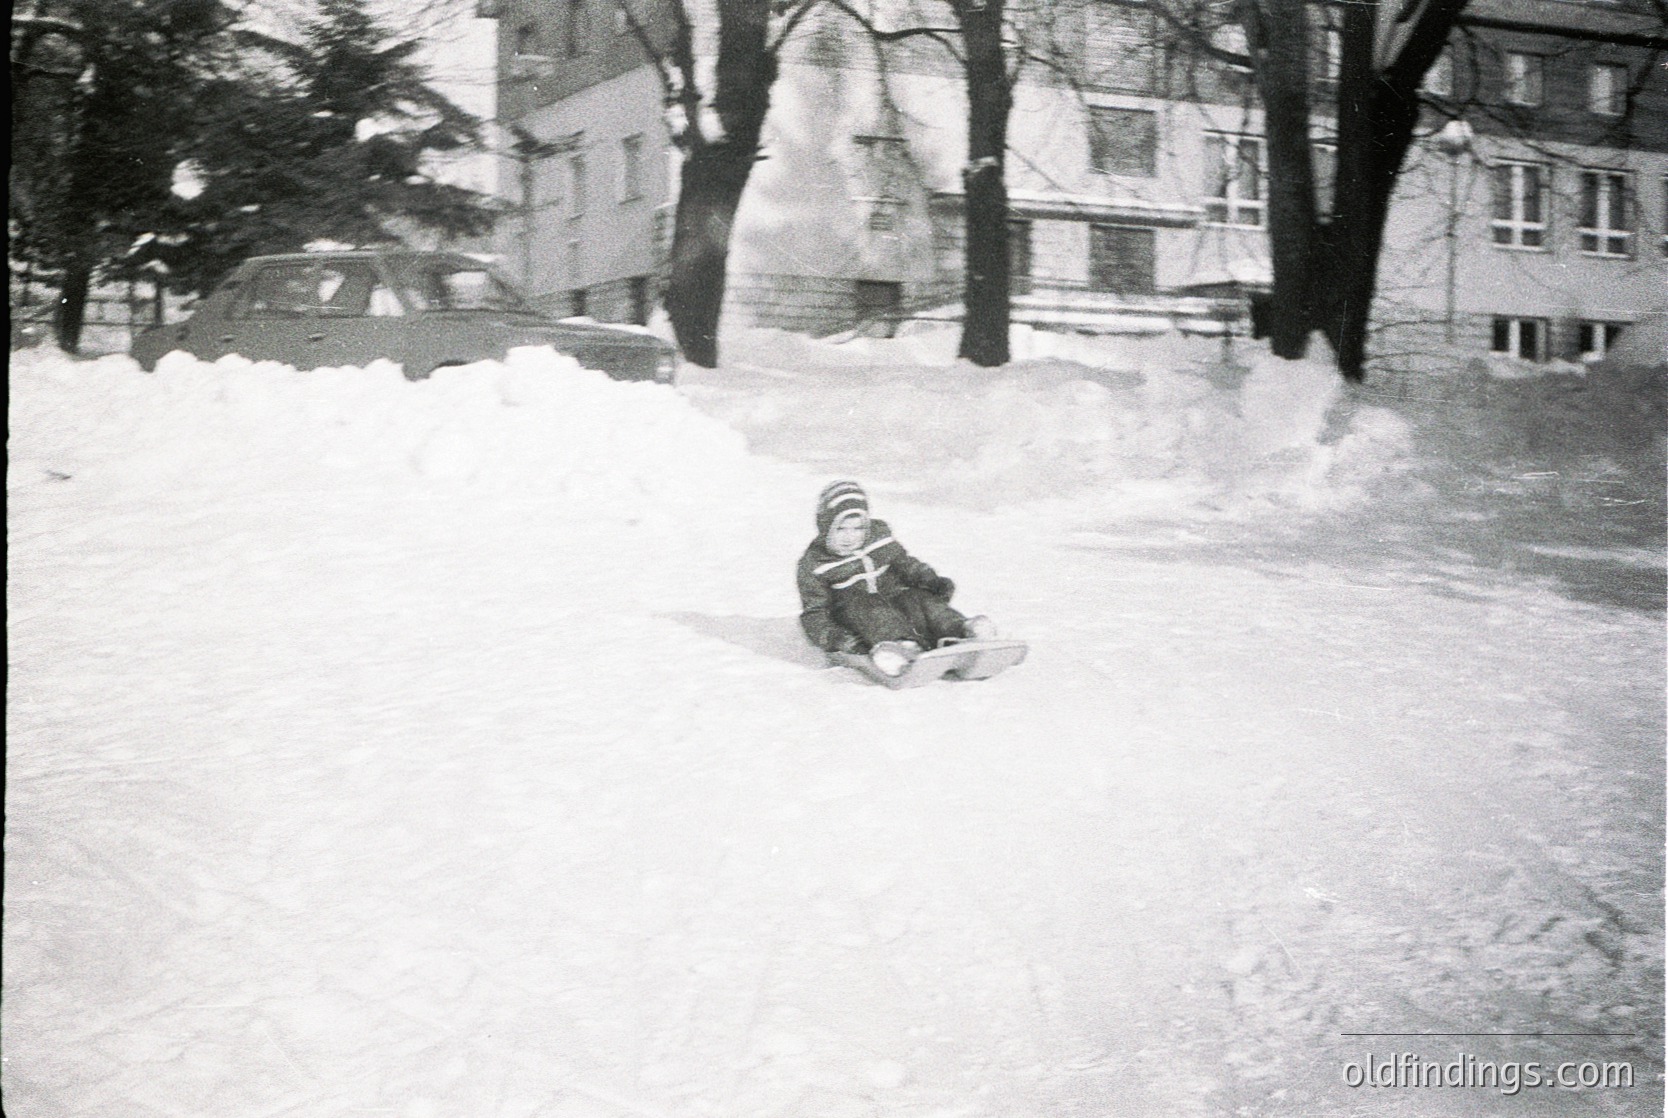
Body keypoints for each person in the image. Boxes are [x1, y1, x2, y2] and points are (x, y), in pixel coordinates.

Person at [797, 480, 996, 677]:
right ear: (825, 527)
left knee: (919, 598)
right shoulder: (815, 564)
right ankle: (900, 648)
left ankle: (962, 631)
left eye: (858, 528)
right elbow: (814, 613)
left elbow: (904, 563)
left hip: (896, 603)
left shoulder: (879, 540)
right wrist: (836, 638)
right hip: (857, 622)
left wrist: (928, 579)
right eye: (841, 529)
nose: (850, 537)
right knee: (867, 604)